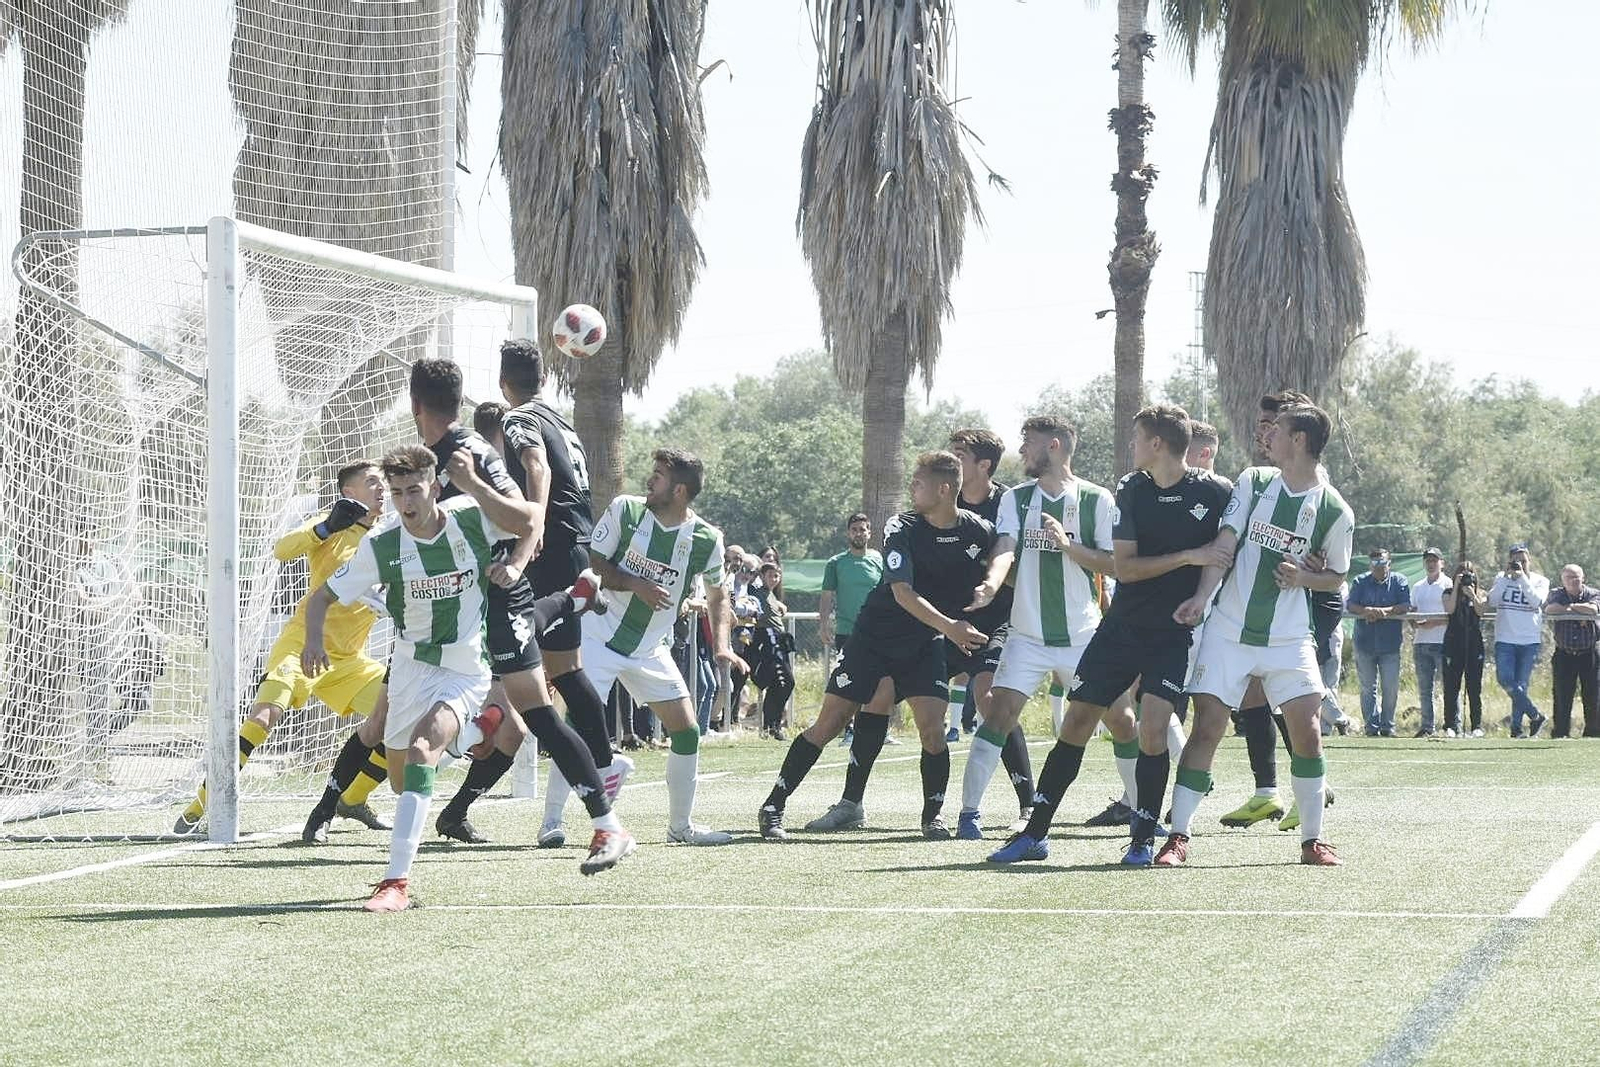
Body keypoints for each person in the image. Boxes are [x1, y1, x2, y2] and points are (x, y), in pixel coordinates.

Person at [375, 357, 630, 869]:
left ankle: (607, 826)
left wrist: (513, 558)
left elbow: (529, 516)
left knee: (535, 712)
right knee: (410, 760)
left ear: (414, 402)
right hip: (451, 607)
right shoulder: (425, 462)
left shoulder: (469, 454)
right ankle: (570, 602)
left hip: (491, 603)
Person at [980, 406, 1231, 865]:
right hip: (1121, 627)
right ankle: (1035, 834)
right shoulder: (1132, 488)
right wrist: (1188, 556)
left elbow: (1233, 550)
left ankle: (1142, 840)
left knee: (1153, 730)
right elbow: (1126, 569)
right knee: (1077, 721)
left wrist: (1203, 595)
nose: (1130, 446)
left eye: (1136, 438)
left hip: (1173, 632)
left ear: (1157, 444)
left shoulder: (1217, 492)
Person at [304, 444, 536, 912]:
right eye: (396, 493)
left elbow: (530, 521)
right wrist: (312, 642)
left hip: (465, 666)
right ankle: (480, 728)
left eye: (414, 490)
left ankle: (396, 883)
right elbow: (321, 598)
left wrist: (514, 563)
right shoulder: (382, 545)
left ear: (434, 487)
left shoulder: (471, 518)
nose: (405, 502)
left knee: (422, 749)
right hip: (410, 667)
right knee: (400, 779)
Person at [448, 341, 633, 851]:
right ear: (543, 379)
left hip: (552, 545)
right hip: (577, 542)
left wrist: (534, 524)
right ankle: (603, 761)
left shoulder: (519, 419)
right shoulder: (561, 421)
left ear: (502, 382)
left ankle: (477, 726)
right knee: (565, 670)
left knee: (524, 663)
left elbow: (538, 467)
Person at [757, 451, 994, 840]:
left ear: (943, 489)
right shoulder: (901, 526)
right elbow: (902, 593)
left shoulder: (977, 529)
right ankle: (772, 807)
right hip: (874, 637)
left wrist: (992, 587)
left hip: (924, 642)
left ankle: (932, 817)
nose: (911, 488)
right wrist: (951, 627)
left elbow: (1006, 552)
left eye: (918, 482)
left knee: (933, 730)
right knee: (830, 723)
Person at [1162, 402, 1354, 867]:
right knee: (1207, 727)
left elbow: (1336, 577)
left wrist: (1305, 578)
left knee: (1308, 730)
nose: (1267, 436)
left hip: (1289, 639)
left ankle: (1313, 841)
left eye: (1277, 430)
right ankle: (1178, 837)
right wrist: (1202, 598)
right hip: (1229, 630)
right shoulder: (1254, 481)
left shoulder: (1335, 509)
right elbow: (1224, 546)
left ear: (1299, 440)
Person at [174, 462, 391, 836]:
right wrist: (326, 528)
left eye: (384, 482)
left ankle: (354, 799)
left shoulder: (390, 537)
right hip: (302, 646)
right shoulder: (333, 524)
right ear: (349, 492)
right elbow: (282, 549)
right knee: (263, 718)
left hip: (350, 661)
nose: (382, 488)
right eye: (372, 481)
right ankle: (199, 807)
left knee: (404, 717)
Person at [945, 415, 1117, 850]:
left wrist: (1068, 546)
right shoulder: (1017, 498)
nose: (1021, 450)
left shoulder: (1096, 499)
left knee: (1122, 719)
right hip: (1026, 636)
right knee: (997, 715)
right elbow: (1005, 548)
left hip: (1083, 635)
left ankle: (1141, 810)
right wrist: (991, 583)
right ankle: (969, 814)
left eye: (1028, 442)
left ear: (1054, 446)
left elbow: (1114, 564)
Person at [580, 448, 745, 844]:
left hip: (650, 648)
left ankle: (680, 829)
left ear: (679, 490)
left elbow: (718, 595)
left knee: (687, 731)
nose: (650, 479)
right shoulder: (626, 510)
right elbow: (593, 563)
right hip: (598, 635)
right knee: (578, 724)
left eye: (659, 475)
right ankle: (551, 823)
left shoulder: (706, 539)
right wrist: (635, 584)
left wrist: (722, 646)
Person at [947, 427, 1037, 828]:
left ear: (984, 465)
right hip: (946, 618)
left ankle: (1028, 805)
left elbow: (1019, 563)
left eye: (960, 456)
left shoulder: (1009, 504)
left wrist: (993, 579)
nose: (951, 462)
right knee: (879, 694)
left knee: (989, 698)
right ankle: (852, 801)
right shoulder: (941, 496)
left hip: (997, 618)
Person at [1347, 548, 1410, 737]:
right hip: (1364, 643)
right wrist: (1366, 610)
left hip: (1390, 645)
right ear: (1370, 565)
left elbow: (1405, 605)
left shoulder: (1399, 581)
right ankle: (1371, 727)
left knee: (1390, 687)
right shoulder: (1360, 581)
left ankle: (1387, 726)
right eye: (1374, 563)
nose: (1378, 567)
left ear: (1389, 564)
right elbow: (1350, 605)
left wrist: (1386, 611)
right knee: (1368, 688)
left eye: (1382, 563)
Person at [1489, 543, 1549, 738]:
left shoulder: (1541, 581)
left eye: (1523, 561)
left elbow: (1536, 601)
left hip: (1529, 640)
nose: (1520, 564)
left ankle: (1516, 729)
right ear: (1509, 561)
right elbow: (1492, 601)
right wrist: (1506, 579)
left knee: (1521, 686)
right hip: (1505, 638)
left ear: (1529, 560)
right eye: (1516, 561)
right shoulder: (1501, 578)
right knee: (1505, 679)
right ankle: (1535, 715)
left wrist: (1522, 577)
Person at [1542, 564, 1599, 739]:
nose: (1573, 581)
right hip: (1564, 654)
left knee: (1592, 695)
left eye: (1576, 577)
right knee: (1562, 695)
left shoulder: (1593, 593)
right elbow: (1550, 609)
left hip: (1588, 653)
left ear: (1583, 578)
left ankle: (1593, 733)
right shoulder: (1556, 593)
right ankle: (1561, 732)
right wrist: (1578, 610)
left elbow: (1593, 609)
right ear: (1563, 580)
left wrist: (1568, 608)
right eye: (1569, 578)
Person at [819, 513, 882, 657]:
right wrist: (823, 626)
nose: (858, 534)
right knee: (847, 672)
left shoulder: (878, 559)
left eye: (862, 529)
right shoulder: (835, 563)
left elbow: (888, 592)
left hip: (876, 631)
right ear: (848, 533)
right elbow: (826, 596)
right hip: (846, 632)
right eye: (854, 530)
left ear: (869, 533)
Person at [1441, 561, 1487, 738]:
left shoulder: (1481, 593)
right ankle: (1450, 725)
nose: (1467, 577)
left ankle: (1476, 725)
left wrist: (1472, 595)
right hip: (1453, 642)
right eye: (1463, 574)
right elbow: (1450, 609)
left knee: (1474, 686)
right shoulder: (1448, 593)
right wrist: (1457, 588)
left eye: (1470, 573)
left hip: (1473, 642)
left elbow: (1481, 611)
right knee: (1451, 686)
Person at [1410, 547, 1452, 736]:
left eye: (1434, 560)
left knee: (1449, 686)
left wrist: (1431, 623)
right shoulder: (1418, 586)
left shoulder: (1448, 584)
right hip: (1421, 642)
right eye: (1428, 560)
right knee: (1425, 689)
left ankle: (1452, 724)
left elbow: (1452, 614)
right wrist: (1414, 622)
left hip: (1443, 642)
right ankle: (1427, 726)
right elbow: (1412, 611)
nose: (1431, 564)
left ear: (1441, 563)